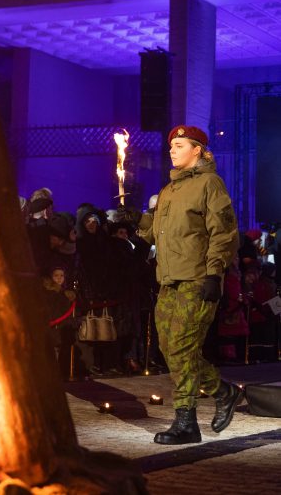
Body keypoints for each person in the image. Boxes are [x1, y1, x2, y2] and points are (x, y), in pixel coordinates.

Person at [136, 125, 241, 445]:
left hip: (197, 278)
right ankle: (223, 392)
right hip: (169, 280)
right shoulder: (168, 190)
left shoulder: (210, 184)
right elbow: (151, 236)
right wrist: (138, 217)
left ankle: (186, 422)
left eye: (179, 145)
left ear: (197, 149)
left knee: (181, 346)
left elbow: (222, 232)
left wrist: (214, 273)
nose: (172, 149)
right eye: (171, 145)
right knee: (169, 348)